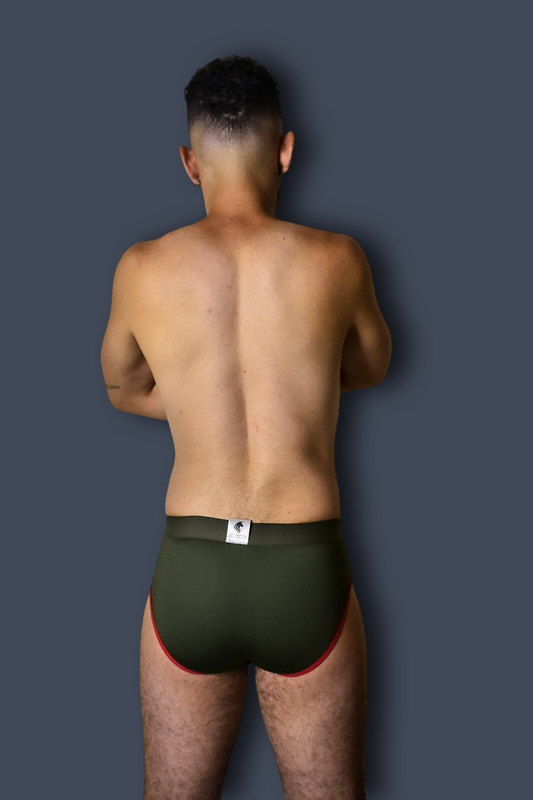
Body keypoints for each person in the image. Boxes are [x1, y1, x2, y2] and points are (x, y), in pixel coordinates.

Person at [100, 55, 391, 800]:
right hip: (302, 564)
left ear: (189, 162)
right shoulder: (338, 259)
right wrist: (296, 388)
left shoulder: (141, 267)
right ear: (285, 150)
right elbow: (370, 367)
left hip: (192, 566)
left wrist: (197, 402)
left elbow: (122, 388)